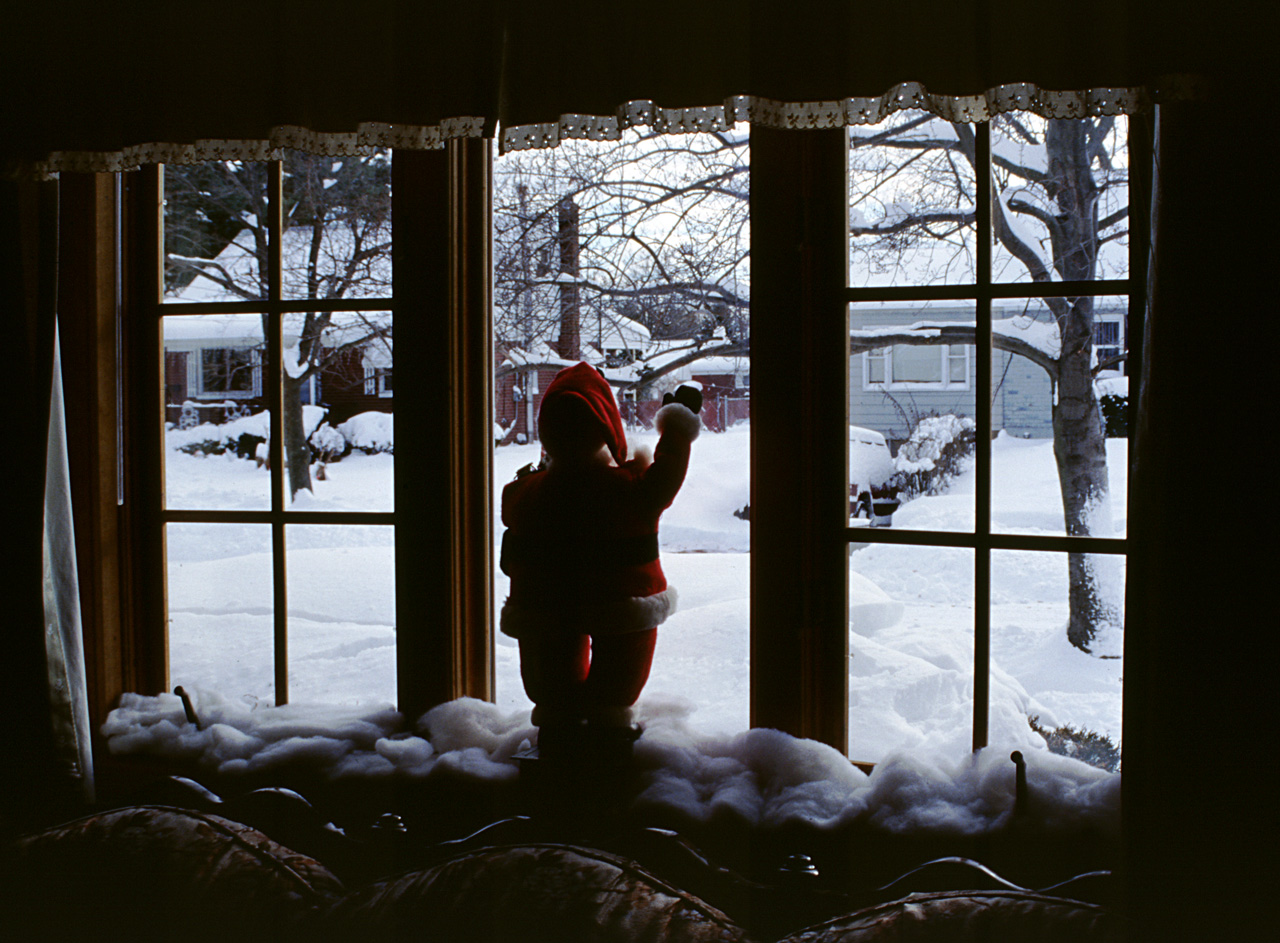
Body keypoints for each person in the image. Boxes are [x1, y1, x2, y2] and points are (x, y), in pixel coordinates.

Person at [499, 362, 702, 746]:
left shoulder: (524, 493)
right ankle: (609, 730)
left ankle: (557, 731)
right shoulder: (630, 488)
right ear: (607, 427)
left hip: (543, 603)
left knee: (551, 679)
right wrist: (677, 428)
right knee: (619, 679)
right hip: (623, 602)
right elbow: (668, 473)